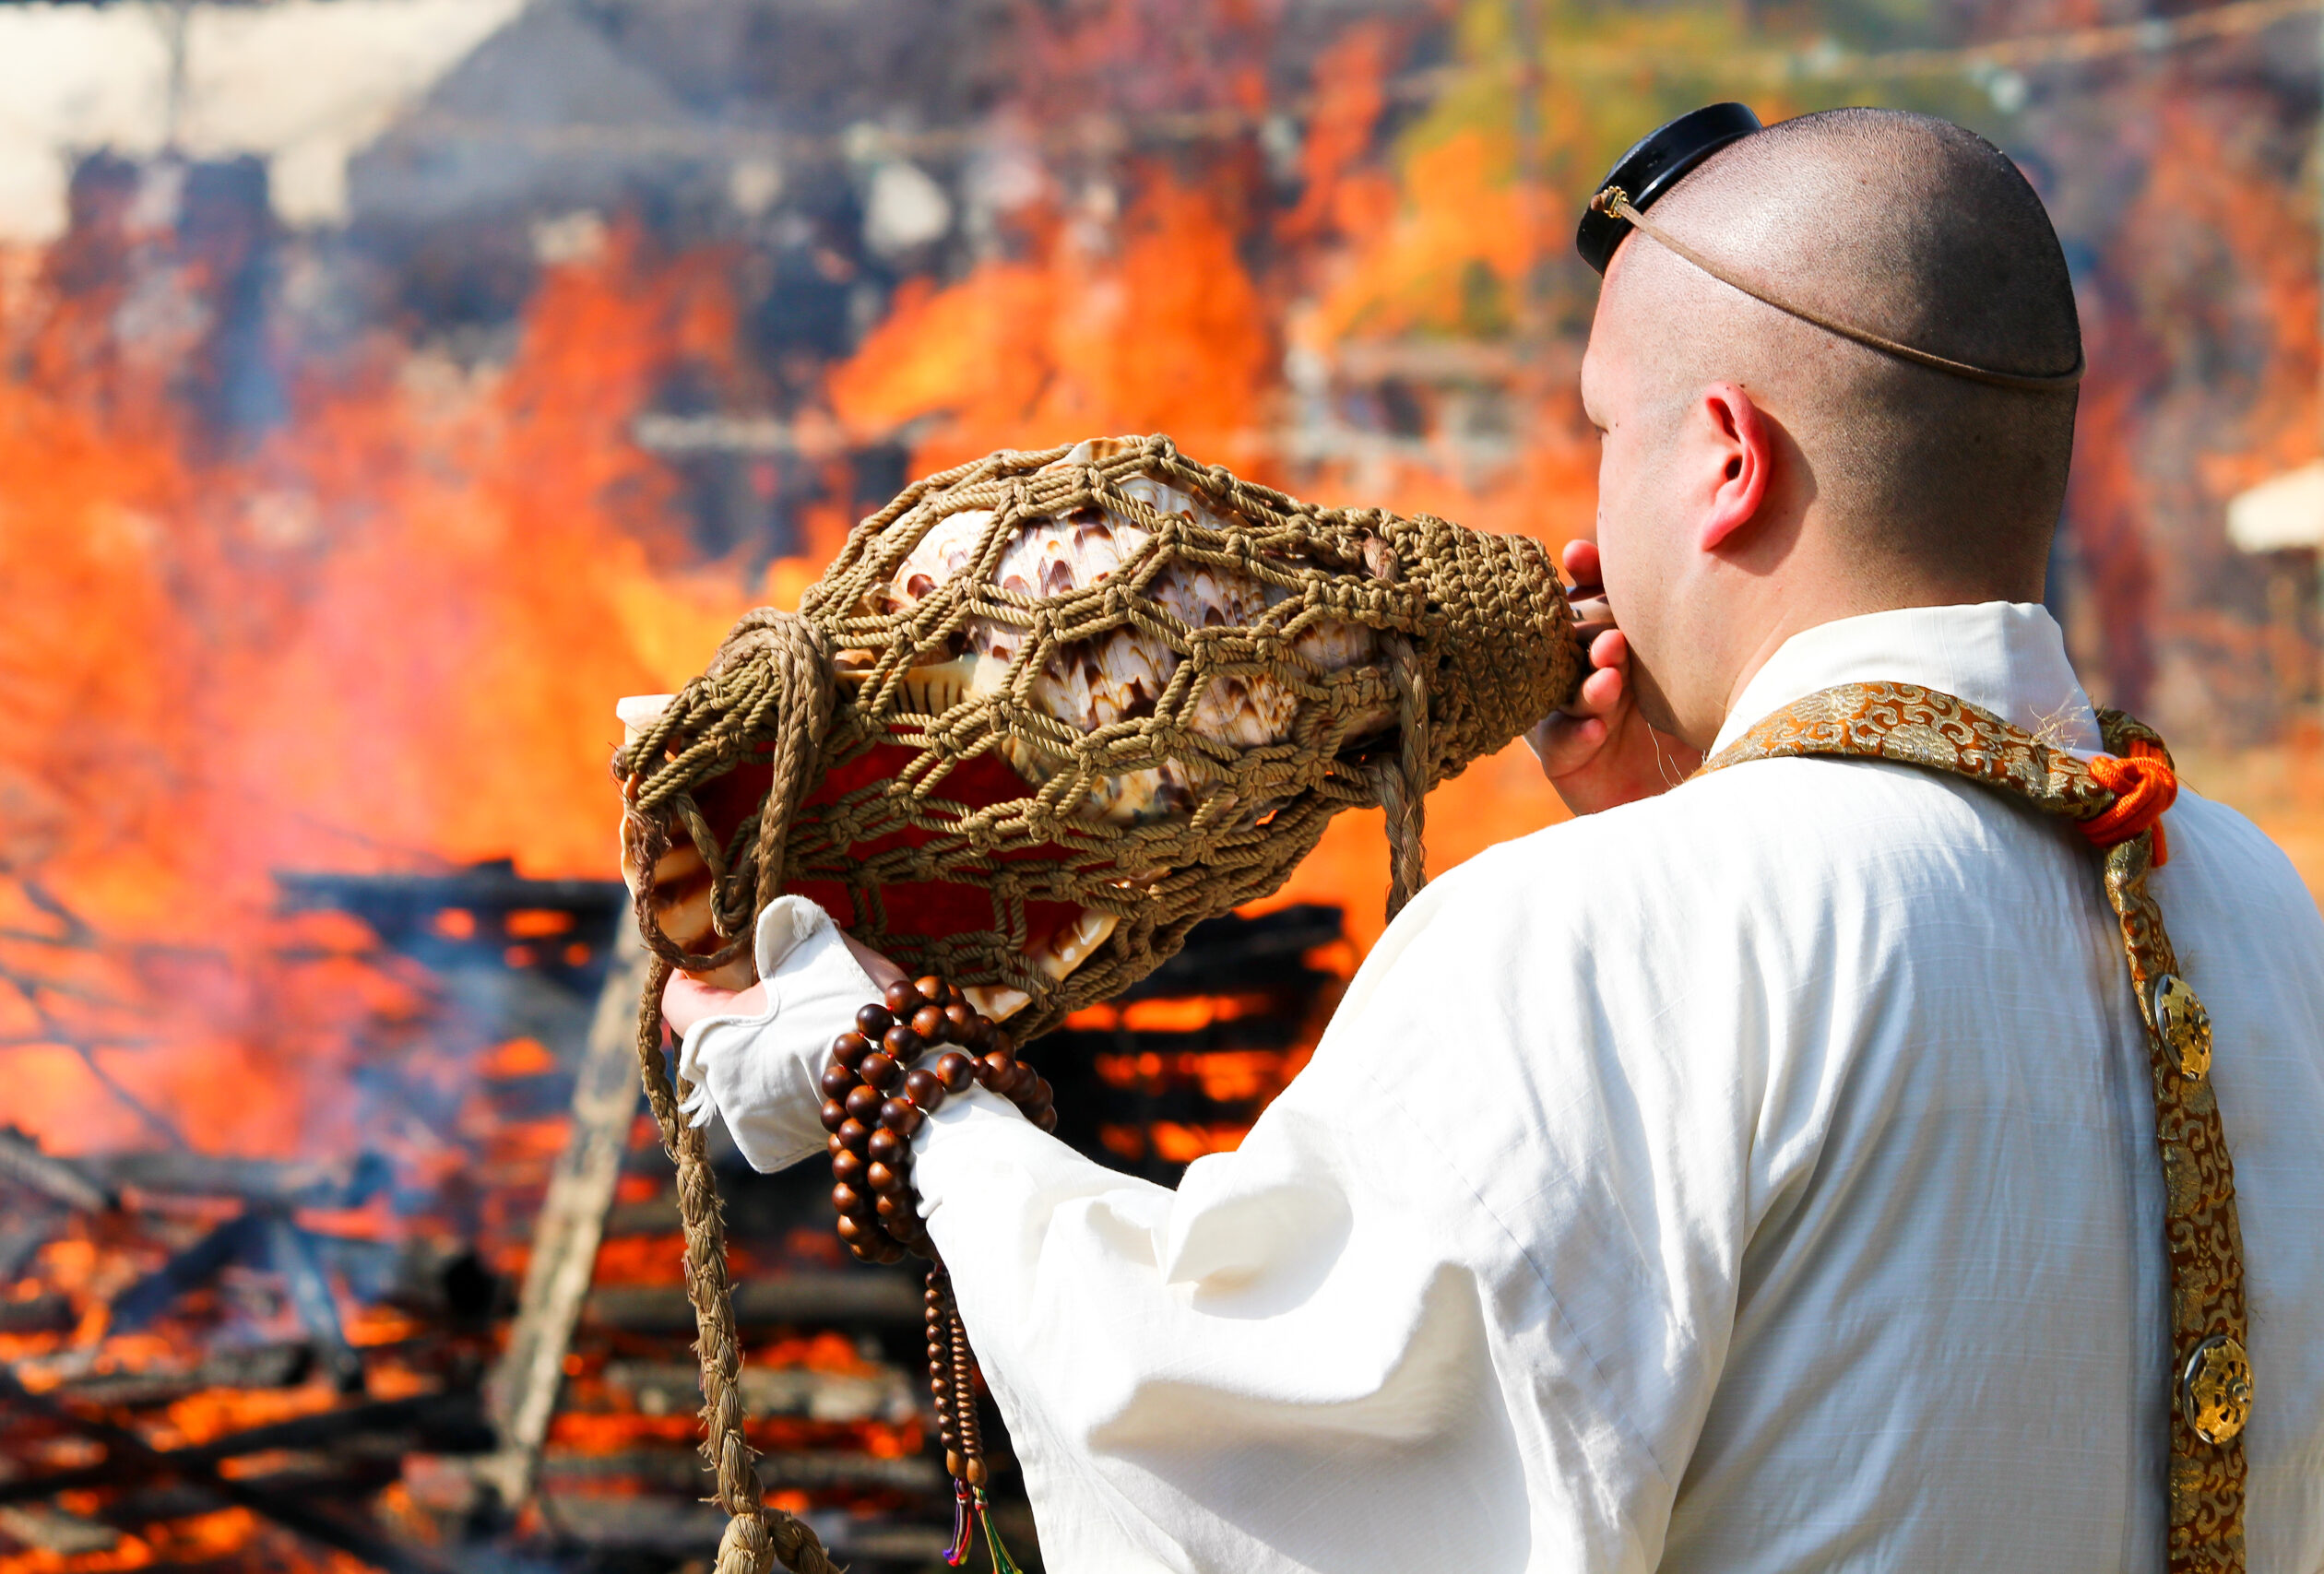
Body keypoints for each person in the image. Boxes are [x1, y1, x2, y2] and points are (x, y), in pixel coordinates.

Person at [659, 108, 2324, 1571]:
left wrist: (892, 1084)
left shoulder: (1606, 939)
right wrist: (1690, 827)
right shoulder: (2262, 911)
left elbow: (1272, 1473)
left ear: (1728, 463)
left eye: (1610, 433)